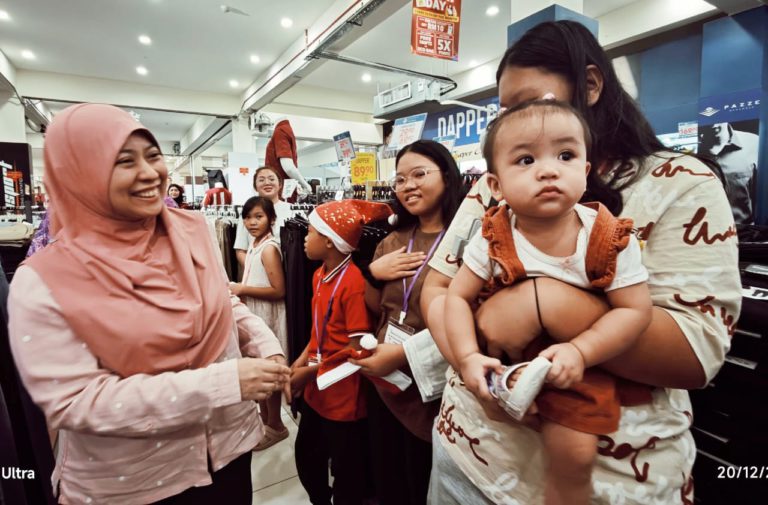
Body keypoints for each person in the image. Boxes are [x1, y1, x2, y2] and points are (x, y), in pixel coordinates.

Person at [419, 20, 741, 504]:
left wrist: (543, 302)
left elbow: (696, 355)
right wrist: (478, 373)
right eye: (506, 110)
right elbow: (436, 289)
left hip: (614, 481)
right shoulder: (494, 185)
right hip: (465, 451)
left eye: (530, 101)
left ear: (590, 85)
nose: (517, 121)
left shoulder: (681, 183)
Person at [8, 103, 292, 505]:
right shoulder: (43, 280)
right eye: (123, 161)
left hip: (230, 449)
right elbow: (76, 402)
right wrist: (224, 383)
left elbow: (224, 302)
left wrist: (268, 348)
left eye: (154, 155)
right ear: (80, 172)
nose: (149, 173)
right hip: (137, 481)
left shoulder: (192, 231)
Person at [445, 100, 653, 504]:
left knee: (574, 456)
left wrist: (582, 349)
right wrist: (467, 356)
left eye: (566, 155)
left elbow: (635, 309)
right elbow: (456, 296)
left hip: (576, 362)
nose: (548, 169)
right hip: (499, 361)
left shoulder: (606, 237)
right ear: (496, 186)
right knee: (502, 441)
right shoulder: (492, 234)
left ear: (586, 171)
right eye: (525, 159)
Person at [353, 139, 464, 505]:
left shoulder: (467, 241)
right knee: (389, 478)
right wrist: (372, 273)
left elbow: (469, 319)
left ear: (447, 176)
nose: (408, 186)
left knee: (422, 479)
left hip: (434, 381)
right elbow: (376, 308)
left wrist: (402, 356)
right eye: (400, 179)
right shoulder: (391, 241)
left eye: (419, 174)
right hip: (385, 379)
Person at [291, 200, 392, 505]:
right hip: (317, 388)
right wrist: (299, 363)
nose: (304, 239)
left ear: (329, 242)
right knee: (307, 458)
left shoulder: (353, 284)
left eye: (309, 232)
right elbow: (318, 331)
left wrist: (307, 372)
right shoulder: (319, 275)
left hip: (343, 397)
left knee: (349, 475)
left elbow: (358, 347)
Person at [229, 196, 290, 451]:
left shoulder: (269, 249)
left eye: (259, 217)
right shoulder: (256, 244)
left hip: (268, 316)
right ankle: (266, 420)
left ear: (271, 219)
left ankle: (276, 425)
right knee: (260, 367)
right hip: (256, 313)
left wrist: (242, 288)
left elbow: (278, 290)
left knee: (270, 371)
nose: (252, 222)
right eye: (247, 217)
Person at [699, 121, 759, 224]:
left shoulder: (755, 142)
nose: (712, 124)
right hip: (702, 233)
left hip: (744, 233)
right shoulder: (686, 150)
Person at [234, 166, 292, 268]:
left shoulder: (292, 210)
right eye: (261, 180)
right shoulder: (247, 212)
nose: (267, 183)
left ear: (280, 184)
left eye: (271, 179)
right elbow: (240, 249)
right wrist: (254, 270)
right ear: (255, 186)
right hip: (256, 275)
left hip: (288, 270)